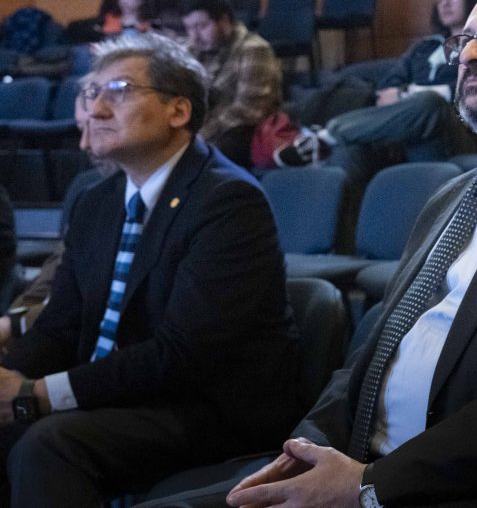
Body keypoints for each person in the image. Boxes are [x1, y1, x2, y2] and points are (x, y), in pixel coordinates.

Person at [141, 0, 477, 508]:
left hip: (443, 491)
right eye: (464, 41)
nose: (469, 56)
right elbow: (372, 349)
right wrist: (305, 450)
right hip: (350, 465)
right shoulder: (451, 195)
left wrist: (368, 486)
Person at [0, 33, 302, 506]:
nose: (96, 110)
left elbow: (183, 355)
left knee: (49, 444)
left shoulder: (228, 201)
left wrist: (35, 394)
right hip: (116, 392)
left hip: (206, 408)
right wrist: (8, 379)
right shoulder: (96, 202)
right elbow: (60, 326)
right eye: (90, 93)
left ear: (178, 111)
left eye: (118, 91)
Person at [322, 0, 477, 249]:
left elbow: (467, 91)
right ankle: (346, 250)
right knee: (351, 148)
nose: (445, 2)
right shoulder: (423, 48)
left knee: (428, 103)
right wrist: (410, 94)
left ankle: (329, 132)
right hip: (407, 136)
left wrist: (411, 93)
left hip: (454, 130)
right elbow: (386, 90)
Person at [0, 75, 119, 353]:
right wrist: (13, 330)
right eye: (81, 129)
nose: (85, 145)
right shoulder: (92, 196)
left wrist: (14, 329)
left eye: (99, 129)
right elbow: (49, 284)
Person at [181, 0, 283, 170]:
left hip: (242, 134)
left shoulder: (254, 49)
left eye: (202, 26)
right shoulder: (190, 50)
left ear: (225, 20)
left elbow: (249, 111)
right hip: (204, 132)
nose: (195, 37)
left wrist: (198, 137)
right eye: (189, 28)